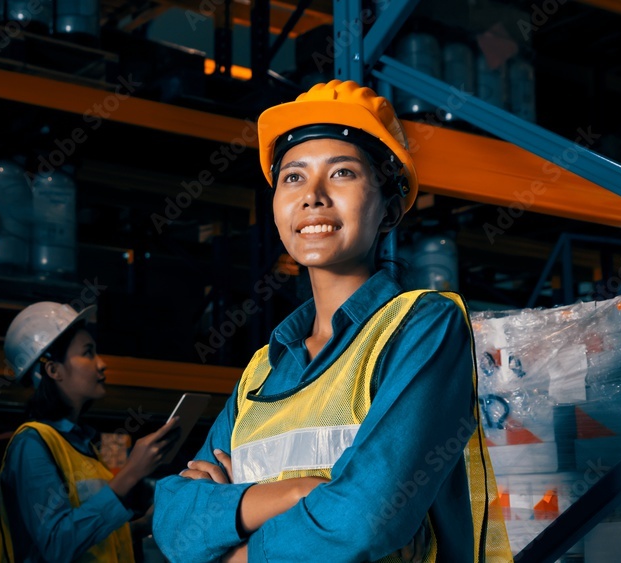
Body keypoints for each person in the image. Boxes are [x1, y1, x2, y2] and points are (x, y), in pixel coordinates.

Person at [152, 80, 511, 562]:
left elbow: (366, 518)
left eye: (342, 173)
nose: (313, 197)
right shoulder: (263, 370)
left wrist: (234, 548)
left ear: (389, 203)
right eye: (293, 177)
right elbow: (174, 526)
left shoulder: (423, 326)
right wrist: (295, 493)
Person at [0, 302, 180, 562]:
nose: (102, 364)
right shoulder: (32, 444)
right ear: (53, 370)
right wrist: (132, 472)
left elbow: (86, 536)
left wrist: (142, 526)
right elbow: (58, 545)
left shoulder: (81, 445)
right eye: (88, 353)